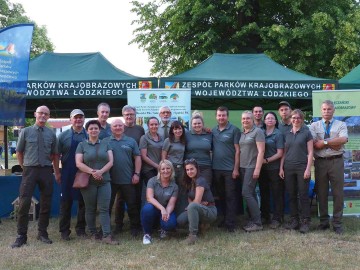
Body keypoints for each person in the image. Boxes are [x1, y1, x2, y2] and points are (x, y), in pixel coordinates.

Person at [11, 105, 60, 248]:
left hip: (46, 170)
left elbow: (55, 155)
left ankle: (42, 233)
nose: (43, 116)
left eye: (46, 114)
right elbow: (19, 152)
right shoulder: (25, 132)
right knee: (24, 203)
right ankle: (21, 236)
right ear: (35, 114)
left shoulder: (51, 134)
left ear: (49, 116)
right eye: (41, 113)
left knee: (46, 203)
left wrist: (57, 172)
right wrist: (24, 167)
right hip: (29, 170)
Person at [75, 120, 118, 245]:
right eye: (91, 128)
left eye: (96, 128)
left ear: (100, 130)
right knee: (90, 208)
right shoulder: (82, 145)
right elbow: (78, 163)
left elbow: (111, 161)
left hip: (105, 181)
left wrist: (101, 172)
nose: (94, 130)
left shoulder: (106, 144)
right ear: (87, 131)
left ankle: (106, 235)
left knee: (104, 209)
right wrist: (93, 172)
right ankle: (93, 233)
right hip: (88, 182)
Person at [310, 100, 348, 234]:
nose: (327, 112)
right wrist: (334, 142)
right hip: (320, 162)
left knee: (338, 193)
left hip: (336, 162)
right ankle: (324, 222)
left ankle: (337, 223)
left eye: (329, 109)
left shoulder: (341, 124)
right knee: (322, 193)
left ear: (334, 110)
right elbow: (315, 144)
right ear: (321, 111)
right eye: (324, 109)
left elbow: (343, 140)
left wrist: (325, 142)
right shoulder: (314, 126)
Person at [104, 118, 142, 237]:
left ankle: (135, 227)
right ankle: (113, 227)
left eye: (120, 125)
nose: (118, 128)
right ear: (111, 128)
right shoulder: (105, 141)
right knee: (109, 205)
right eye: (115, 126)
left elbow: (138, 158)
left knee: (132, 204)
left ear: (123, 127)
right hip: (110, 180)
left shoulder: (131, 141)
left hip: (128, 179)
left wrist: (137, 173)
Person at [280, 109, 313, 234]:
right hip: (288, 167)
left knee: (303, 195)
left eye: (298, 117)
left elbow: (310, 153)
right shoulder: (286, 134)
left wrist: (308, 169)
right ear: (290, 119)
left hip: (302, 167)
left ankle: (305, 221)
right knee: (292, 195)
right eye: (294, 117)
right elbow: (284, 152)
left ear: (302, 119)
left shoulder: (307, 132)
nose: (296, 119)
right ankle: (294, 220)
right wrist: (281, 168)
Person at [57, 109, 87, 241]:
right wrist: (57, 172)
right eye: (76, 118)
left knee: (84, 202)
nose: (78, 120)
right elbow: (56, 155)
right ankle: (64, 231)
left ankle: (81, 229)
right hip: (68, 172)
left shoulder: (89, 134)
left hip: (84, 172)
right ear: (71, 119)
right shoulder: (63, 136)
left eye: (81, 117)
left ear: (84, 119)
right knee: (66, 202)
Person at [212, 106, 240, 232]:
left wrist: (236, 169)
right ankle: (224, 219)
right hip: (216, 169)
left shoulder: (234, 130)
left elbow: (238, 151)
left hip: (230, 170)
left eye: (223, 115)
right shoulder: (213, 130)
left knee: (230, 197)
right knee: (221, 196)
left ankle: (231, 223)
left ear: (227, 116)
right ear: (216, 117)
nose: (221, 117)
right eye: (219, 115)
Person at [177, 158, 217, 245]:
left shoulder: (200, 180)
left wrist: (193, 205)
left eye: (191, 169)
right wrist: (194, 204)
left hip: (210, 210)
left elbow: (196, 201)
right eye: (187, 170)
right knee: (180, 220)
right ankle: (201, 227)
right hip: (199, 208)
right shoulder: (190, 181)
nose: (189, 172)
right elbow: (190, 199)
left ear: (197, 169)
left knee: (192, 206)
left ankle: (192, 236)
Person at [239, 111, 265, 232]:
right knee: (251, 194)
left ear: (253, 119)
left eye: (248, 118)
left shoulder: (258, 132)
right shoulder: (242, 133)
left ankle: (257, 222)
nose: (245, 120)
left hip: (252, 167)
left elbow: (261, 151)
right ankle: (252, 219)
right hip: (243, 167)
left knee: (246, 193)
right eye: (243, 119)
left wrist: (257, 169)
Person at [141, 160, 178, 245]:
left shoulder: (175, 186)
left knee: (170, 223)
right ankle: (147, 234)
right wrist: (162, 209)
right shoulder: (152, 181)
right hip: (153, 207)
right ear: (159, 171)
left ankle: (163, 229)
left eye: (168, 168)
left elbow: (171, 203)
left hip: (166, 208)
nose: (165, 171)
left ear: (171, 170)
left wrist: (167, 213)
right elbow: (149, 198)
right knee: (147, 209)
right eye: (163, 169)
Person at [258, 112, 284, 229]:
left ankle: (277, 218)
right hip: (262, 169)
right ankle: (265, 216)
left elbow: (280, 153)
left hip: (274, 168)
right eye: (267, 118)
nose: (269, 120)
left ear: (275, 121)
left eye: (272, 118)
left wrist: (267, 160)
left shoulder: (278, 134)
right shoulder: (260, 132)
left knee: (276, 194)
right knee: (264, 193)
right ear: (264, 121)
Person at [162, 120, 187, 214]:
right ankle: (168, 213)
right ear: (172, 130)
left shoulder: (183, 140)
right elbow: (163, 157)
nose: (178, 131)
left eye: (180, 129)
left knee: (181, 191)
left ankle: (180, 213)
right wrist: (164, 169)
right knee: (170, 191)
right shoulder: (168, 141)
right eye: (175, 129)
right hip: (170, 169)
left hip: (181, 169)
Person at [185, 114, 213, 186]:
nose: (197, 125)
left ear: (203, 124)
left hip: (205, 167)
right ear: (191, 125)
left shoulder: (209, 134)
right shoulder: (186, 135)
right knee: (191, 190)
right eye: (194, 123)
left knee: (205, 188)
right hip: (190, 168)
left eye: (199, 123)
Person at [139, 117, 164, 186]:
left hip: (160, 169)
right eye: (152, 124)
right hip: (149, 170)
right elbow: (144, 156)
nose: (154, 126)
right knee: (152, 190)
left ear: (158, 125)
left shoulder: (161, 137)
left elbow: (163, 152)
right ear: (148, 126)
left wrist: (161, 165)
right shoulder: (144, 138)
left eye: (156, 124)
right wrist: (157, 166)